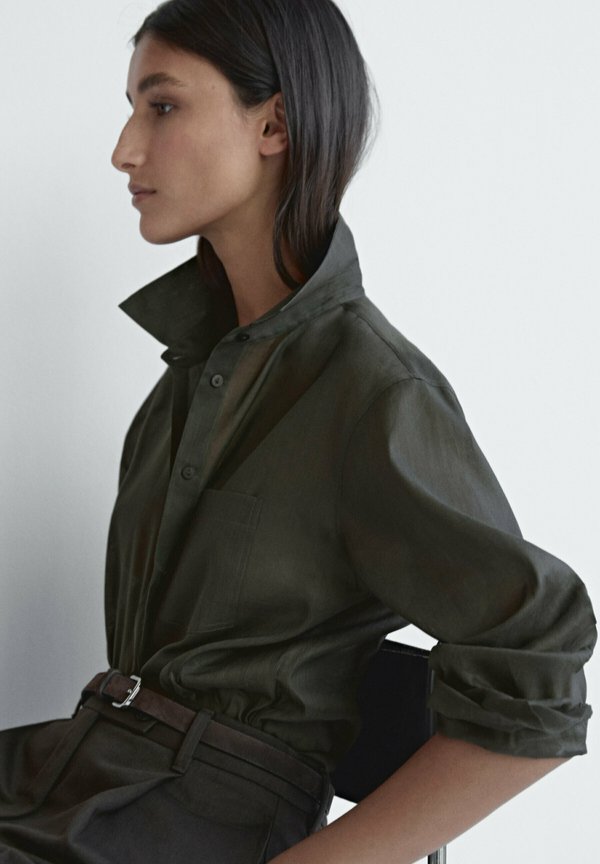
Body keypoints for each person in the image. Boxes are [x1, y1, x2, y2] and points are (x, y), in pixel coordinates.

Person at [0, 0, 596, 862]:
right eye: (133, 110)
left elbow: (539, 670)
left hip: (194, 828)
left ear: (274, 124)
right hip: (82, 787)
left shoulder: (372, 394)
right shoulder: (186, 380)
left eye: (161, 106)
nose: (125, 149)